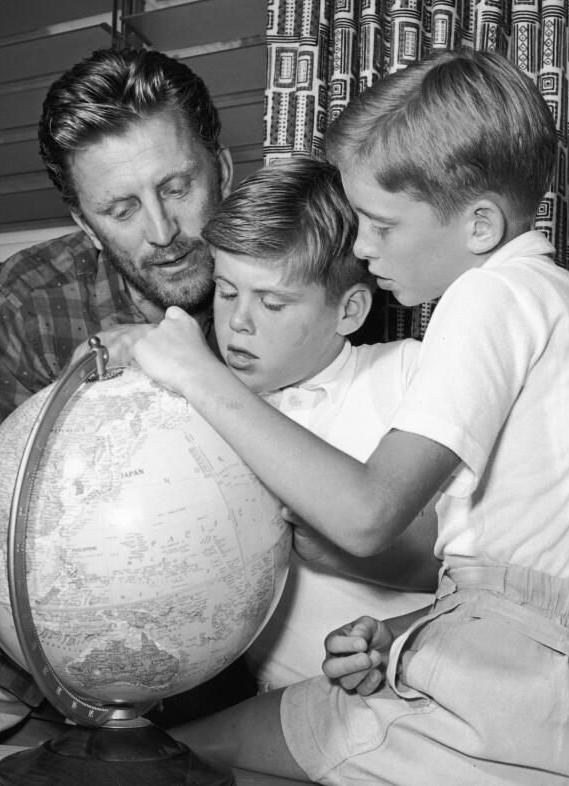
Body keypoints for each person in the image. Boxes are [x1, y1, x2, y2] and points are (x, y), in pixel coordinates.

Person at [132, 49, 569, 785]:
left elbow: (366, 515)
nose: (360, 246)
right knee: (225, 741)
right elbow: (558, 586)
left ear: (479, 223)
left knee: (163, 759)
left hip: (519, 700)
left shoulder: (490, 298)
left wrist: (196, 372)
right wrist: (405, 629)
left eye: (381, 225)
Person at [0, 47, 241, 744]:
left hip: (204, 629)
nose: (161, 233)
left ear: (222, 165)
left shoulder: (297, 278)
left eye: (179, 186)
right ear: (83, 221)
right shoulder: (31, 295)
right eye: (121, 208)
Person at [201, 157, 437, 692]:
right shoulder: (200, 412)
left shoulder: (411, 374)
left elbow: (474, 563)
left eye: (273, 302)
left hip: (422, 684)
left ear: (349, 312)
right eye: (226, 290)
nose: (238, 321)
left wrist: (342, 554)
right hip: (276, 707)